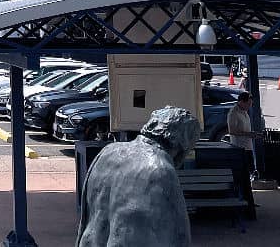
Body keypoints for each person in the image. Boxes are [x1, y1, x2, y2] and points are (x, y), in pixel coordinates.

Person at [77, 107, 200, 247]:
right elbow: (180, 235)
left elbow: (85, 219)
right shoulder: (161, 169)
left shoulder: (108, 152)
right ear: (182, 144)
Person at [227, 91, 258, 176]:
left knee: (251, 169)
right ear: (241, 102)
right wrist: (248, 134)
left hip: (248, 146)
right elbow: (232, 131)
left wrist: (251, 134)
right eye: (248, 104)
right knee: (243, 171)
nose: (249, 106)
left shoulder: (244, 112)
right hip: (239, 146)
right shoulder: (233, 113)